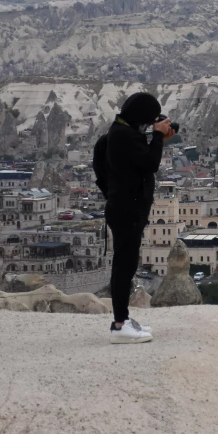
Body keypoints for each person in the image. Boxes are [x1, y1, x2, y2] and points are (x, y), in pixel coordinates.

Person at [93, 92, 176, 344]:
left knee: (127, 265)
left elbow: (114, 165)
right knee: (123, 266)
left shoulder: (118, 133)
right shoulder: (124, 136)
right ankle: (119, 325)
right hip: (127, 209)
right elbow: (150, 163)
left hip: (125, 207)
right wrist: (159, 136)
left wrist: (155, 136)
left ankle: (124, 319)